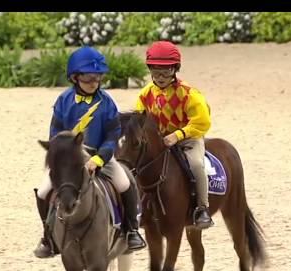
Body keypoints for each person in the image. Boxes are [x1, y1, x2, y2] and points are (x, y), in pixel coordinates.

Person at [33, 46, 146, 258]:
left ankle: (131, 231)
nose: (94, 83)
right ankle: (48, 237)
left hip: (100, 154)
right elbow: (55, 134)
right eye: (88, 79)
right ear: (75, 78)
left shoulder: (107, 103)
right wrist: (63, 155)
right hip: (70, 159)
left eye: (97, 78)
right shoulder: (63, 101)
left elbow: (113, 135)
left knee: (125, 183)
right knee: (42, 191)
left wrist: (98, 158)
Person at [134, 40, 214, 229]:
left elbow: (202, 121)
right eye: (155, 70)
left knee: (196, 165)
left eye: (166, 71)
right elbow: (139, 119)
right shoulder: (146, 94)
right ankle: (137, 209)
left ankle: (202, 208)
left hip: (188, 139)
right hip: (160, 142)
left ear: (175, 69)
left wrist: (178, 135)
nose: (160, 76)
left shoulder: (189, 94)